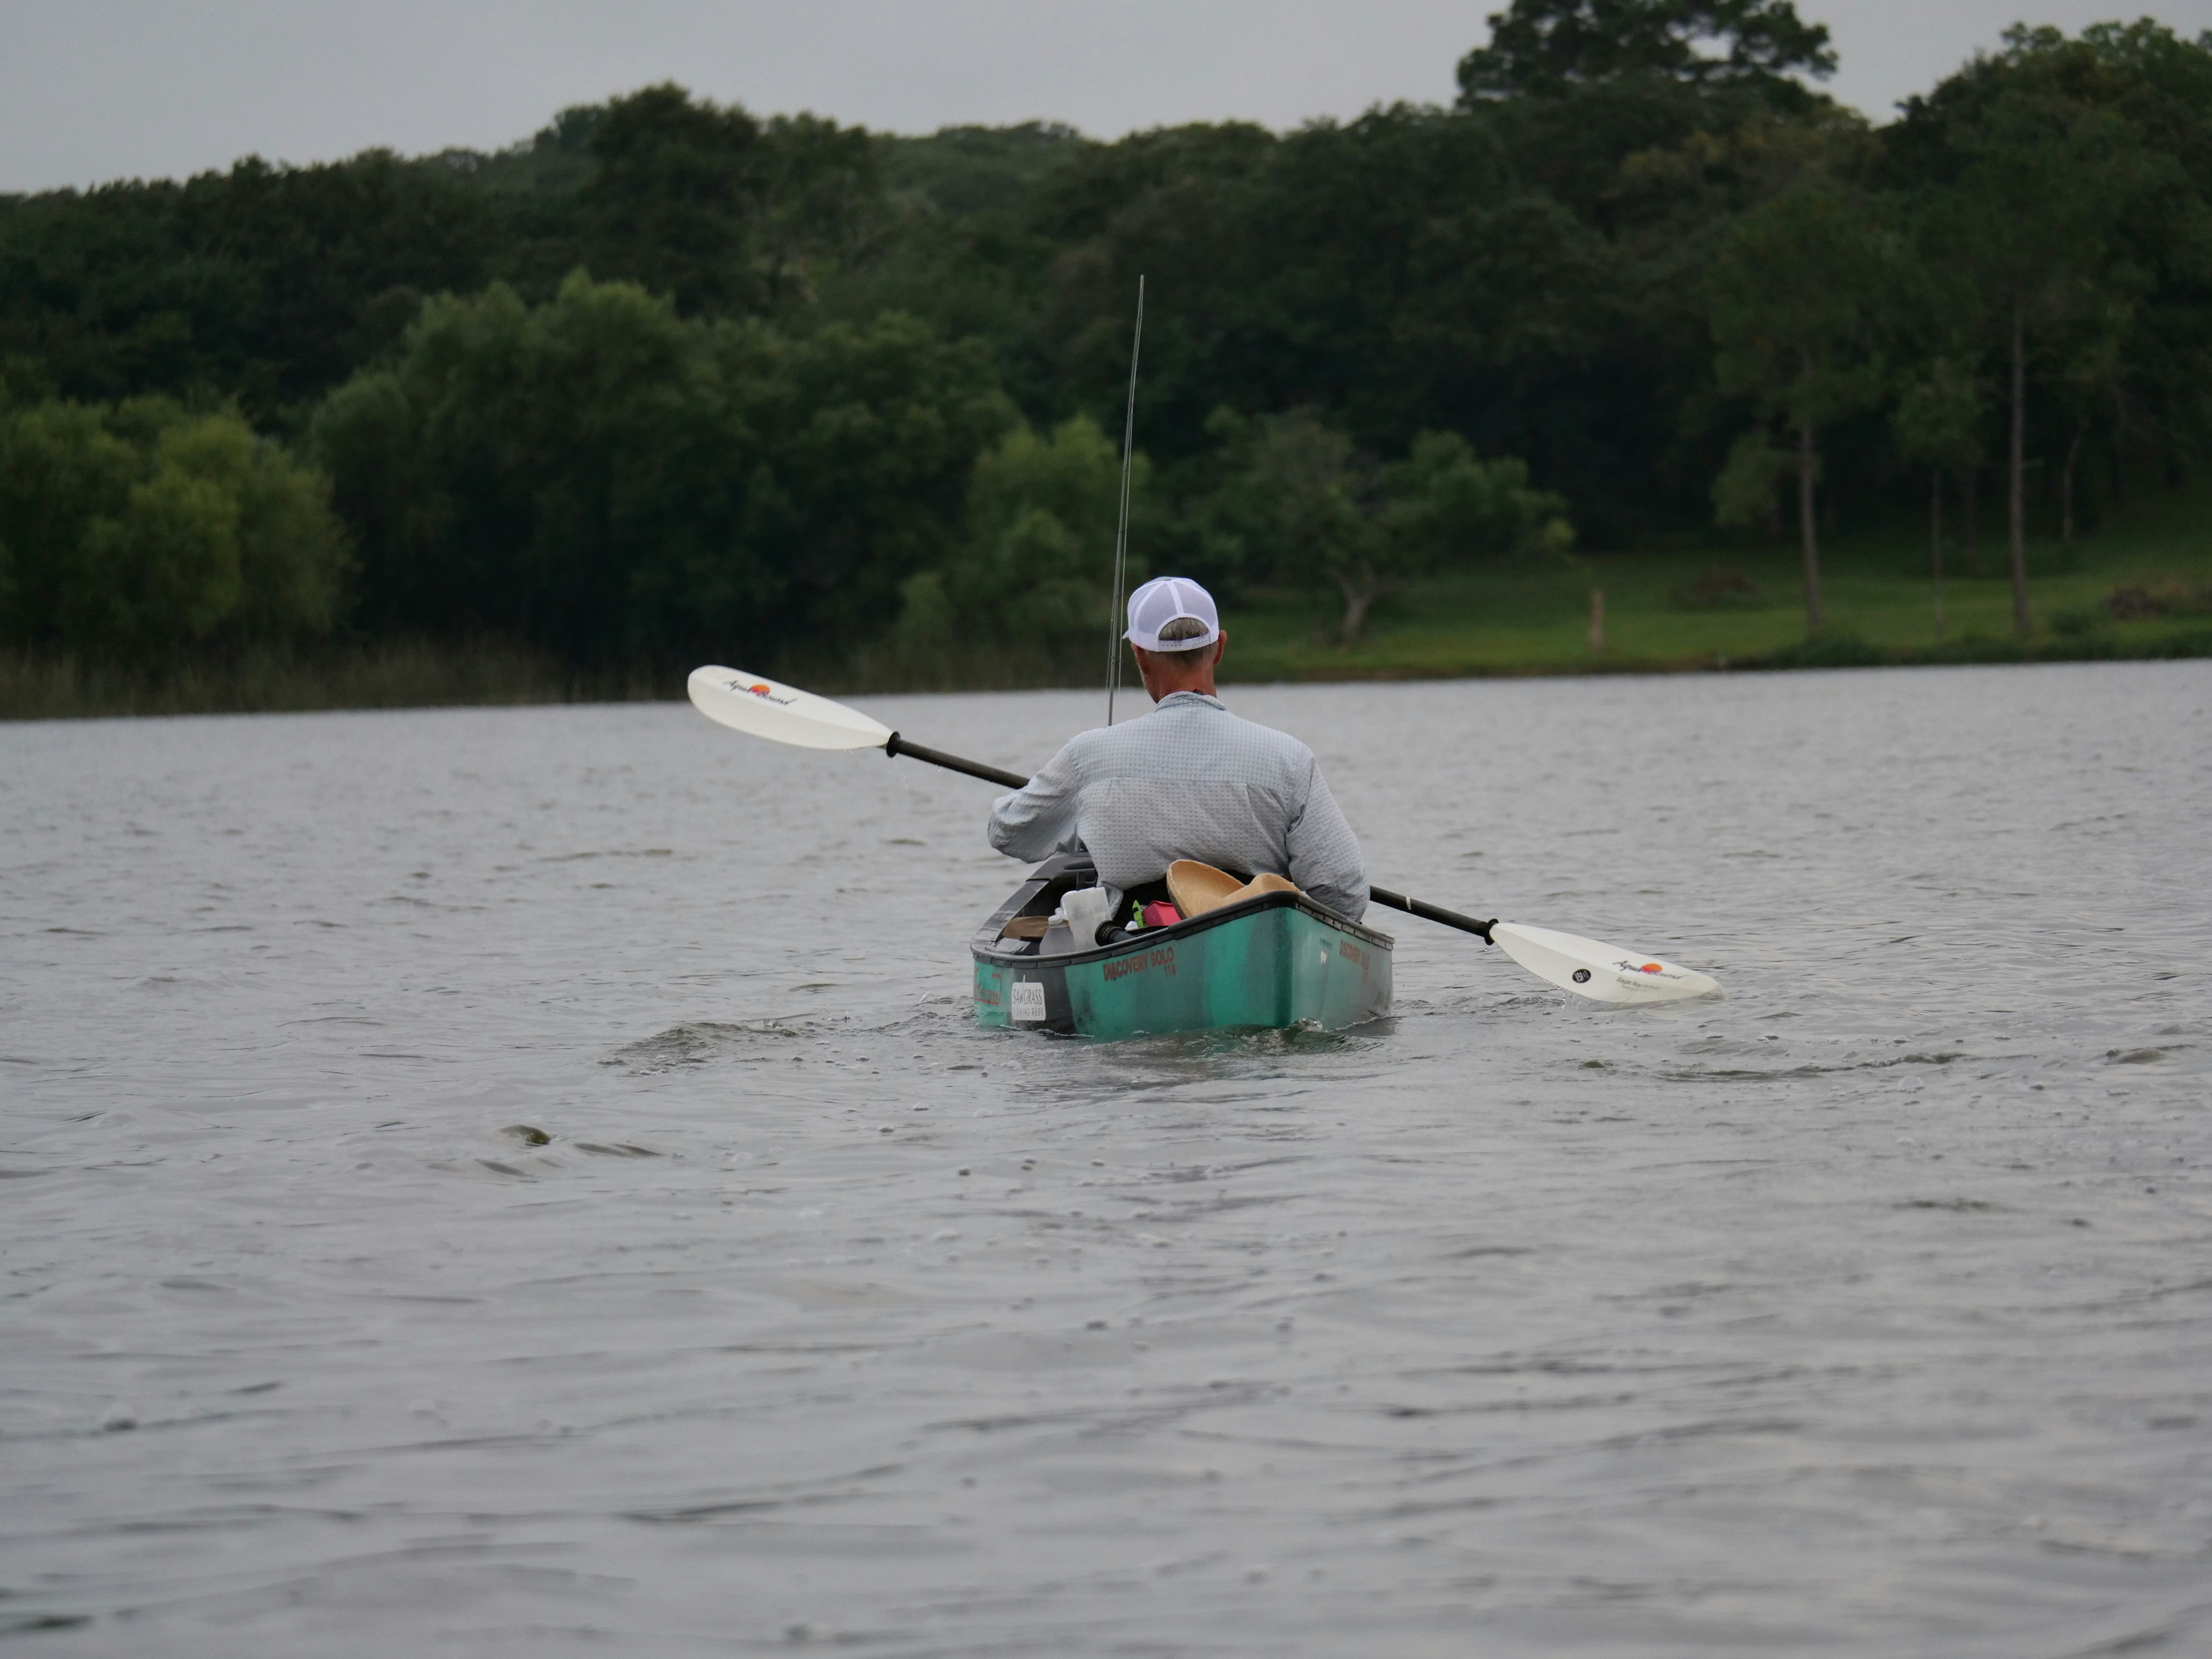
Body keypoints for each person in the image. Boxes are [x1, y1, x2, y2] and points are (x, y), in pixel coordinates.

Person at [987, 575, 1368, 920]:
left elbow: (1007, 831)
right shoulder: (1291, 760)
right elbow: (1342, 892)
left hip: (1132, 942)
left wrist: (1082, 823)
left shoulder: (1087, 757)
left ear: (1139, 654)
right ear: (1219, 648)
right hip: (1255, 941)